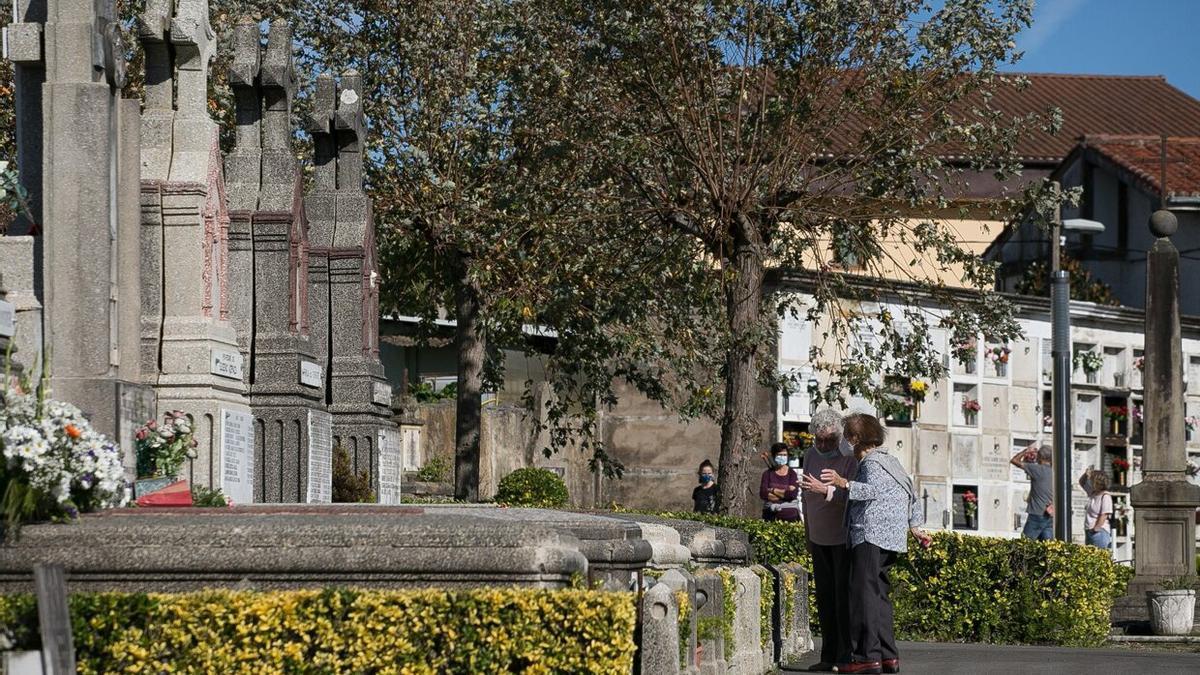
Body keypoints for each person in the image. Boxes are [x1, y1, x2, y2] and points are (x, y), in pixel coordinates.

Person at [809, 413, 930, 675]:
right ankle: (888, 656)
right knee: (878, 598)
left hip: (870, 535)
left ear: (854, 439)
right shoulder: (892, 461)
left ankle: (866, 657)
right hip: (891, 539)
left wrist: (844, 483)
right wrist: (915, 527)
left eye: (846, 438)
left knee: (862, 597)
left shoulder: (870, 463)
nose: (844, 444)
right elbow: (910, 492)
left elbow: (871, 491)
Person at [796, 409, 858, 672]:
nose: (823, 446)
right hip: (819, 538)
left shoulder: (849, 459)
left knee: (842, 599)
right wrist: (808, 535)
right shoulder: (810, 456)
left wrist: (827, 491)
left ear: (839, 438)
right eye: (818, 440)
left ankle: (846, 657)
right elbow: (805, 500)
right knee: (824, 598)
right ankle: (828, 655)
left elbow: (855, 498)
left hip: (841, 539)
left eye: (829, 441)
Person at [1011, 445, 1054, 540]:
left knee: (1025, 544)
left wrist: (1026, 451)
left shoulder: (1037, 469)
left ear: (1040, 456)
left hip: (1037, 513)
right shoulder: (1055, 471)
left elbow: (1014, 460)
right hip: (1050, 514)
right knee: (1048, 547)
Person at [760, 442, 800, 521]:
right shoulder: (767, 474)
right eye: (779, 455)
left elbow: (792, 495)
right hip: (770, 516)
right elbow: (763, 494)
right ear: (774, 456)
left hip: (790, 517)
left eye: (785, 455)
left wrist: (772, 490)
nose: (782, 457)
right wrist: (786, 490)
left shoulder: (792, 474)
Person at [1081, 469, 1113, 552]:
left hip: (1099, 532)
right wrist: (1086, 474)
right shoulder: (1093, 493)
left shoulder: (1105, 496)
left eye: (1091, 479)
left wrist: (1096, 528)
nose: (1090, 481)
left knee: (1099, 559)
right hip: (1089, 530)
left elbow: (1104, 514)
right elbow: (1082, 482)